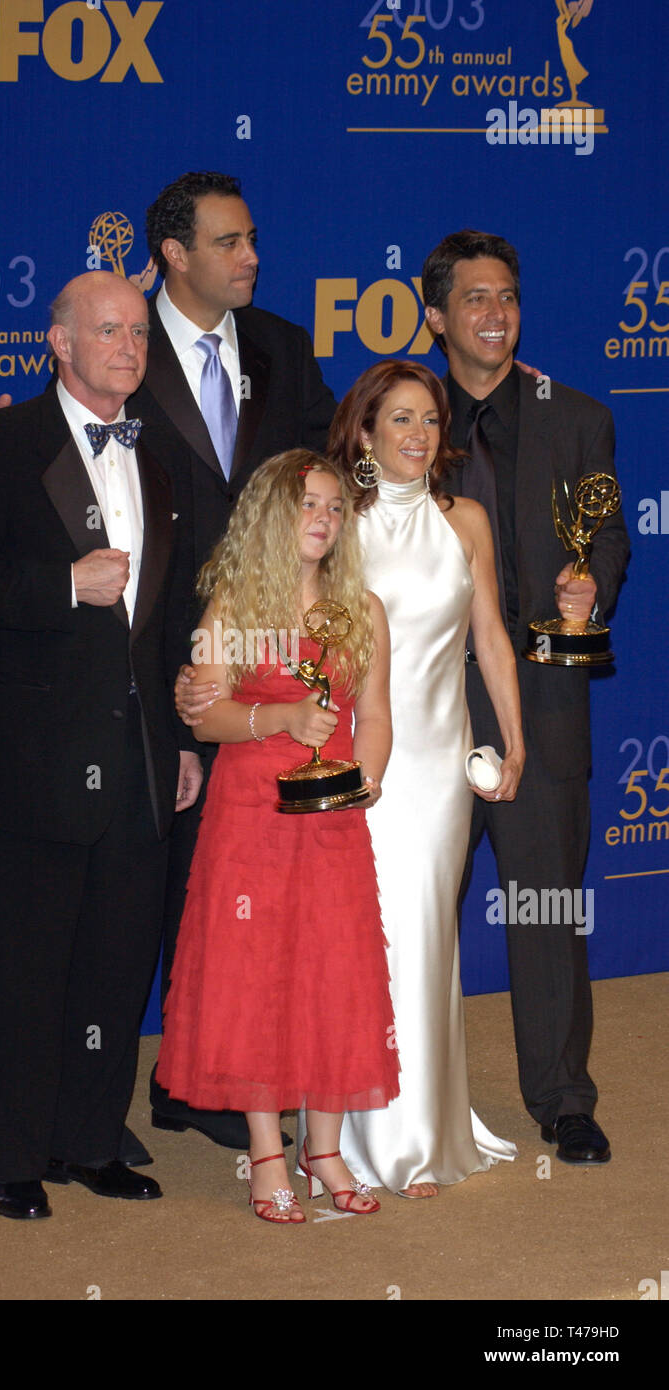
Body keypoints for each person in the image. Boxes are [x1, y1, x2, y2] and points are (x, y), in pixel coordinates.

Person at [0, 171, 338, 1153]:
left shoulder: (249, 379)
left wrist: (423, 470)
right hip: (79, 711)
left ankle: (145, 1107)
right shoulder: (42, 418)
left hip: (216, 682)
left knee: (164, 923)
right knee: (60, 939)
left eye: (254, 238)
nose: (128, 349)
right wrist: (47, 558)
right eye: (229, 240)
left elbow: (322, 469)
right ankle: (45, 1138)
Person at [0, 271, 202, 1220]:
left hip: (140, 762)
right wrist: (58, 584)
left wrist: (181, 742)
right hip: (30, 760)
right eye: (107, 330)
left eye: (136, 333)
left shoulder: (156, 458)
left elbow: (163, 622)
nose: (127, 345)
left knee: (116, 967)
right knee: (23, 968)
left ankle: (90, 1142)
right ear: (59, 343)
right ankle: (15, 1154)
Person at [421, 229, 629, 1164]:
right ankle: (392, 1096)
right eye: (473, 298)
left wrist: (592, 590)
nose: (494, 313)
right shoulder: (397, 421)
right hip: (424, 709)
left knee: (544, 904)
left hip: (540, 702)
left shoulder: (575, 415)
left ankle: (560, 1097)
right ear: (435, 318)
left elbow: (608, 537)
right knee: (412, 907)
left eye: (505, 295)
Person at [157, 450, 398, 1222]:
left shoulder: (362, 607)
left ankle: (322, 1147)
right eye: (307, 505)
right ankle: (266, 1152)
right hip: (249, 814)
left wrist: (365, 778)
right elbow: (203, 713)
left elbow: (378, 714)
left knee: (335, 970)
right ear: (270, 516)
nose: (323, 519)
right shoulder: (232, 603)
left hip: (332, 819)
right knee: (254, 973)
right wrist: (283, 719)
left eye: (333, 507)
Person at [325, 360, 524, 1196]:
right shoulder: (336, 521)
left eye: (431, 420)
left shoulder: (466, 520)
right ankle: (362, 1136)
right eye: (399, 419)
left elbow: (490, 637)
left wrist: (512, 745)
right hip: (363, 757)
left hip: (442, 761)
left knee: (426, 931)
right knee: (363, 936)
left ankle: (425, 1127)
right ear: (364, 432)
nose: (417, 435)